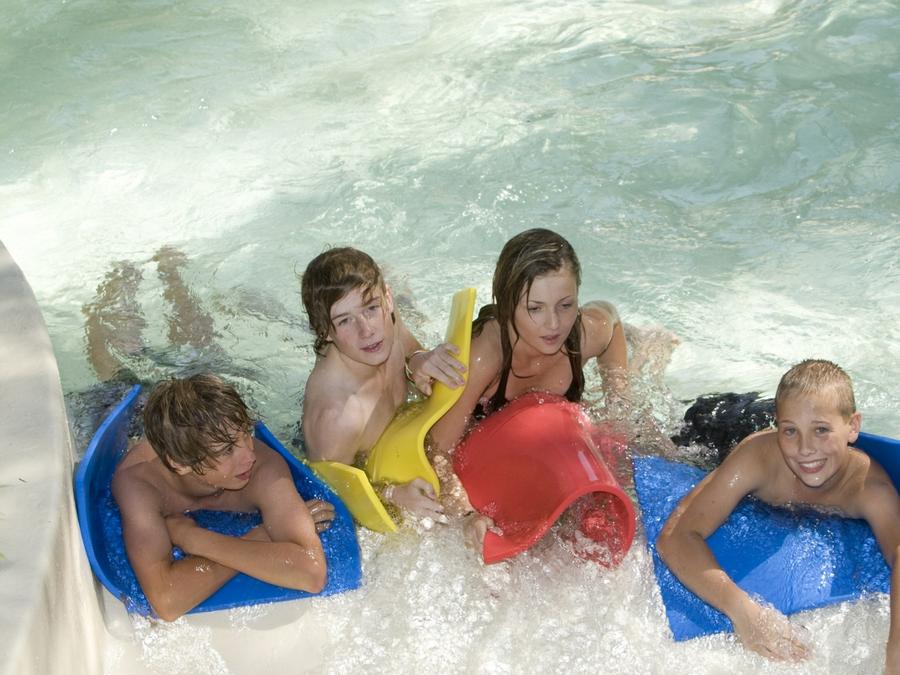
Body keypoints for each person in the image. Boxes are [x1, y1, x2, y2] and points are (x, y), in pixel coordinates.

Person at [656, 359, 900, 668]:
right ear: (778, 427)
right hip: (722, 429)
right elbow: (675, 536)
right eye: (790, 431)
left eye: (821, 430)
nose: (805, 448)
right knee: (666, 444)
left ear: (853, 427)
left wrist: (895, 657)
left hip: (776, 419)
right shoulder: (757, 459)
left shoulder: (869, 489)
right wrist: (744, 612)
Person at [427, 228, 630, 549]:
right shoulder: (484, 356)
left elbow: (612, 321)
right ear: (507, 305)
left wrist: (618, 395)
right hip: (491, 449)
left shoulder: (580, 335)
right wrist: (465, 513)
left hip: (542, 442)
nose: (554, 324)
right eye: (535, 308)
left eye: (566, 305)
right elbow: (436, 451)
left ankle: (649, 349)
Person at [111, 374, 335, 621]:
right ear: (180, 464)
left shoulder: (263, 468)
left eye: (246, 434)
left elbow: (312, 573)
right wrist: (264, 536)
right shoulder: (140, 485)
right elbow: (166, 601)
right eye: (227, 450)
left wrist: (195, 539)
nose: (249, 456)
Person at [300, 246, 467, 521]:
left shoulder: (387, 318)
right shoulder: (336, 418)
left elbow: (411, 350)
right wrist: (392, 494)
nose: (367, 330)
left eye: (371, 308)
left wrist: (419, 360)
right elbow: (329, 494)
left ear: (388, 300)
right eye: (345, 320)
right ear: (324, 331)